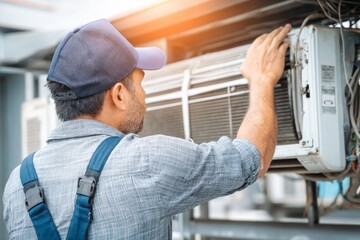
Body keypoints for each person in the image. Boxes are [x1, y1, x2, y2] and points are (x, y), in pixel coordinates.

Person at [3, 19, 291, 239]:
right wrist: (262, 80)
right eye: (140, 83)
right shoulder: (148, 161)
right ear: (118, 94)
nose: (144, 95)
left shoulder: (17, 184)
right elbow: (253, 157)